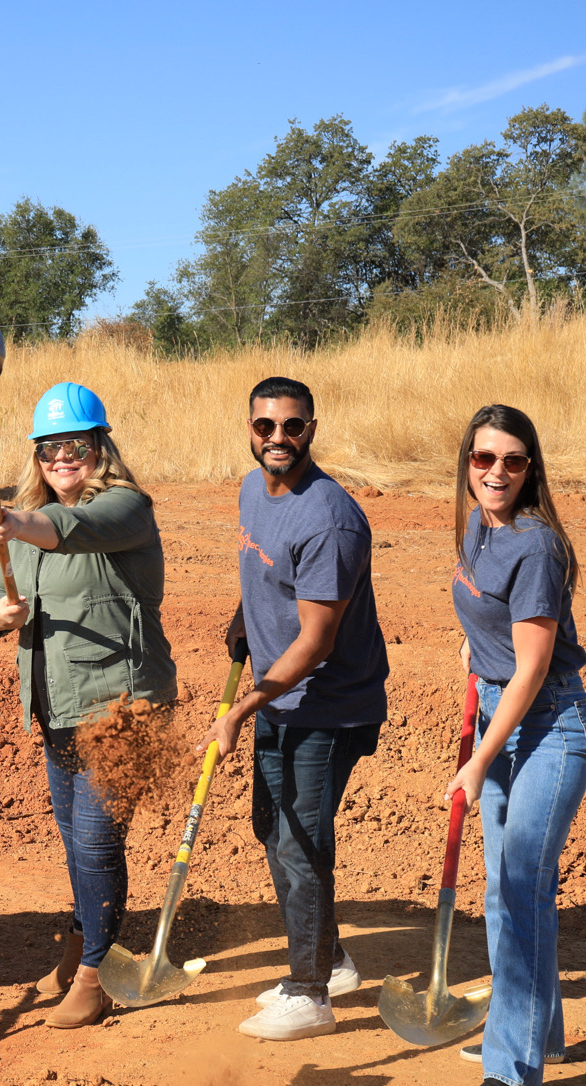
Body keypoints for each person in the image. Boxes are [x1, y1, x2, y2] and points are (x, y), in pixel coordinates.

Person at [0, 382, 175, 1029]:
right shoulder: (26, 525)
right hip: (56, 706)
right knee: (73, 837)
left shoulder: (125, 508)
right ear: (36, 457)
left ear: (99, 448)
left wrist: (17, 523)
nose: (61, 458)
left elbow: (75, 530)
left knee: (94, 842)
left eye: (75, 446)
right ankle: (81, 944)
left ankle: (97, 974)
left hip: (121, 708)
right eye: (49, 448)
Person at [200, 375, 389, 1043]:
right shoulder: (254, 490)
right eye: (265, 425)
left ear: (312, 428)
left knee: (300, 841)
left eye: (292, 425)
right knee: (269, 828)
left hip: (329, 704)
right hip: (281, 695)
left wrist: (241, 709)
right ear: (250, 428)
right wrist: (245, 617)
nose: (278, 437)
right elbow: (270, 571)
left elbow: (316, 642)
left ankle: (310, 995)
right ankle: (329, 961)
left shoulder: (330, 519)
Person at [445, 405, 586, 1086]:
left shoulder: (536, 546)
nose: (496, 472)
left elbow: (533, 669)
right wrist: (476, 651)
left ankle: (514, 1070)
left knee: (521, 888)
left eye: (512, 460)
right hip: (498, 713)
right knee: (503, 891)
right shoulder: (479, 526)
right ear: (468, 463)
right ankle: (542, 1031)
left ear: (530, 468)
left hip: (549, 728)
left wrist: (479, 760)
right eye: (484, 458)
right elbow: (493, 621)